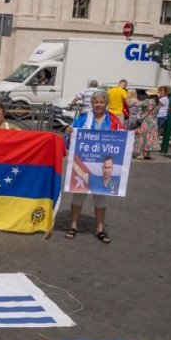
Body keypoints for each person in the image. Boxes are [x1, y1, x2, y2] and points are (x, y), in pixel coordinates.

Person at [64, 90, 122, 244]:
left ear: (106, 104)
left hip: (104, 165)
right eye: (95, 102)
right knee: (78, 195)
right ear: (91, 104)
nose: (98, 105)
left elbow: (121, 140)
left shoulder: (114, 120)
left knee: (100, 198)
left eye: (101, 102)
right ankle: (73, 225)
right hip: (85, 161)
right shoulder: (82, 119)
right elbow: (70, 139)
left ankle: (100, 228)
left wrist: (130, 137)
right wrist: (69, 133)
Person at [132, 91, 159, 160]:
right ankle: (148, 154)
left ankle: (142, 154)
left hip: (146, 121)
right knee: (150, 138)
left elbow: (137, 104)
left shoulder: (147, 101)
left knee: (143, 137)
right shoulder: (157, 102)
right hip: (154, 122)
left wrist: (135, 100)